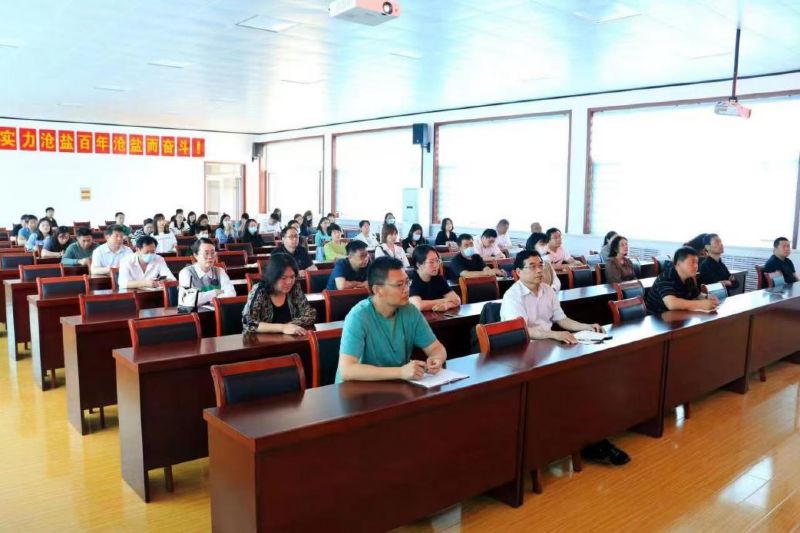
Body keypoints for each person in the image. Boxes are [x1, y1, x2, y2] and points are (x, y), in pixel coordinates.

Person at [500, 250, 629, 466]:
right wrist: (553, 334)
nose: (539, 270)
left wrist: (586, 326)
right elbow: (524, 330)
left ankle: (593, 441)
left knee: (587, 381)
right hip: (523, 358)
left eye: (540, 265)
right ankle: (580, 442)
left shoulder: (547, 290)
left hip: (548, 350)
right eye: (532, 266)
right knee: (570, 389)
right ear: (518, 272)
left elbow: (562, 319)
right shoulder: (512, 297)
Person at [336, 256, 447, 383]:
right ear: (378, 290)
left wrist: (436, 358)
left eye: (407, 282)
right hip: (357, 388)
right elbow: (347, 370)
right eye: (399, 285)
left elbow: (437, 348)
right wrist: (400, 372)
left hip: (395, 385)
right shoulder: (358, 316)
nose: (407, 289)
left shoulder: (410, 311)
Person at [242, 254, 316, 335]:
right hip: (260, 340)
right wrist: (282, 328)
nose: (289, 282)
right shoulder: (260, 290)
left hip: (290, 339)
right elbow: (248, 322)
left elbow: (310, 314)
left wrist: (289, 326)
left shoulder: (295, 288)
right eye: (283, 278)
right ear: (272, 277)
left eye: (292, 277)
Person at [646, 247, 718, 314]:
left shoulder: (689, 278)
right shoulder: (666, 277)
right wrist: (700, 304)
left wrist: (707, 297)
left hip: (677, 315)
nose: (696, 266)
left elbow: (697, 295)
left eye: (696, 262)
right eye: (692, 262)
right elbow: (672, 304)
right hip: (657, 318)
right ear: (678, 264)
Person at [177, 238, 236, 305]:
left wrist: (210, 300)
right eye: (206, 253)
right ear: (196, 255)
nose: (210, 257)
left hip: (215, 310)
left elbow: (231, 293)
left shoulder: (219, 271)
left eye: (213, 253)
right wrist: (215, 292)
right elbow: (188, 300)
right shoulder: (186, 273)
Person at [409, 245, 461, 312]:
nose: (436, 265)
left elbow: (457, 300)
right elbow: (418, 305)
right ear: (418, 264)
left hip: (436, 317)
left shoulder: (438, 278)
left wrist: (447, 305)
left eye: (437, 261)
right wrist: (445, 300)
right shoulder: (411, 280)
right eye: (431, 262)